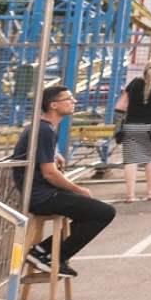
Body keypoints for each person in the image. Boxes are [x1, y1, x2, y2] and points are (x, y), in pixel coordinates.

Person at [10, 85, 117, 274]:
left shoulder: (43, 127)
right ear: (53, 105)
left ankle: (45, 251)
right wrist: (78, 189)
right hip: (41, 196)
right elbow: (49, 173)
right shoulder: (44, 130)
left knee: (90, 210)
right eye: (68, 99)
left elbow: (44, 156)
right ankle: (54, 256)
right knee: (105, 212)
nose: (73, 102)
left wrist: (55, 153)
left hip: (41, 191)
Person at [115, 59, 151, 203]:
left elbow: (120, 105)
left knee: (130, 161)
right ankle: (150, 192)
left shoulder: (134, 83)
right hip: (150, 127)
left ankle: (130, 195)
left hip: (130, 126)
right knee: (150, 160)